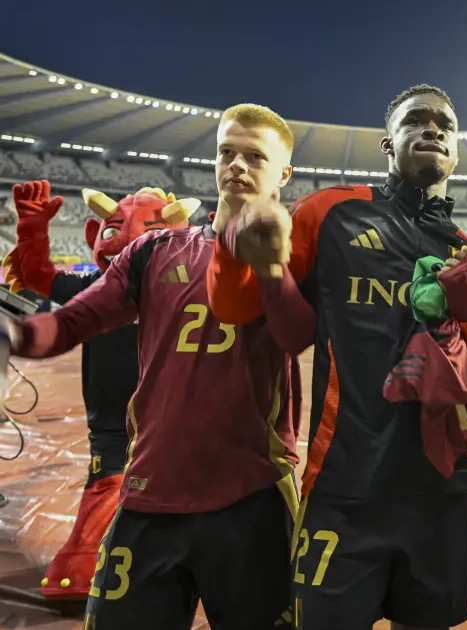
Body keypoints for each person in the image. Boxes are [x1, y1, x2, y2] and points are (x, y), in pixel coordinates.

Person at [207, 84, 467, 630]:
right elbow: (236, 308)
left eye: (445, 124)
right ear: (387, 144)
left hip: (440, 497)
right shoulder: (330, 214)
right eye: (415, 120)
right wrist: (246, 251)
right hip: (345, 491)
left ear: (457, 150)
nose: (432, 129)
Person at [0, 103, 305, 630]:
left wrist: (272, 266)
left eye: (255, 156)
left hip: (253, 496)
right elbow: (73, 321)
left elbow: (299, 334)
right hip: (151, 489)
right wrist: (15, 335)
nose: (236, 165)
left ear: (284, 173)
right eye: (226, 152)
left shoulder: (304, 252)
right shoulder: (155, 250)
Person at [3, 181, 192, 599]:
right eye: (114, 230)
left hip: (172, 421)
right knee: (108, 485)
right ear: (95, 234)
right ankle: (87, 559)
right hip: (112, 422)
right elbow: (38, 276)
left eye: (151, 234)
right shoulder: (96, 286)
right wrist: (32, 229)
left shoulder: (187, 287)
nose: (131, 245)